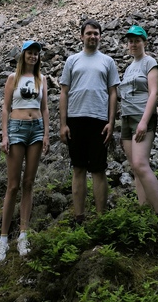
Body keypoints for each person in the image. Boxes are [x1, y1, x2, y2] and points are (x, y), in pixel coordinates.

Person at [0, 40, 50, 264]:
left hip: (36, 129)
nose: (33, 57)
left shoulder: (42, 79)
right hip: (16, 129)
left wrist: (46, 134)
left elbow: (44, 108)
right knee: (13, 185)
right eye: (30, 53)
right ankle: (3, 239)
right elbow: (6, 108)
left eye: (36, 53)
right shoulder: (12, 78)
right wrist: (4, 135)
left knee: (29, 183)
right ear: (23, 55)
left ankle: (23, 235)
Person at [59, 19, 119, 223]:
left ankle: (101, 217)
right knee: (78, 168)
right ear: (81, 36)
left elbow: (113, 93)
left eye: (96, 33)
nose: (93, 36)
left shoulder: (108, 61)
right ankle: (79, 217)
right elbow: (64, 92)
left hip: (99, 120)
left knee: (99, 169)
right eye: (89, 33)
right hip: (75, 119)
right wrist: (63, 123)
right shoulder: (72, 60)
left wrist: (111, 121)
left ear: (100, 36)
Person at [118, 25, 158, 215]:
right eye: (130, 41)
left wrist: (144, 121)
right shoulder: (129, 67)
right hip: (127, 119)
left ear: (144, 42)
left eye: (137, 40)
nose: (133, 44)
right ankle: (144, 211)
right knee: (135, 168)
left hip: (141, 117)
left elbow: (154, 93)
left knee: (140, 164)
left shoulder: (149, 62)